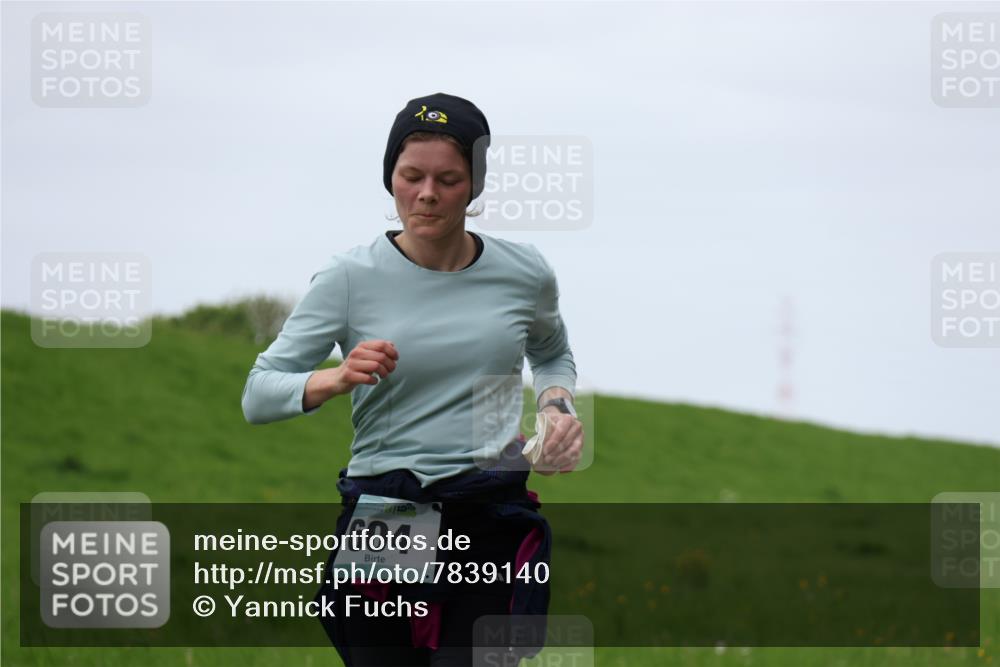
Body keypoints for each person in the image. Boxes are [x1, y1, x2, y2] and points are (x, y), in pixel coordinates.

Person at [241, 92, 583, 666]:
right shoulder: (350, 276)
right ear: (390, 178)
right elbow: (259, 393)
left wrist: (556, 409)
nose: (426, 194)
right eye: (411, 176)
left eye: (448, 179)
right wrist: (336, 378)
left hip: (489, 506)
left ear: (474, 184)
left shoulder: (525, 272)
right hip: (390, 512)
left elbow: (552, 354)